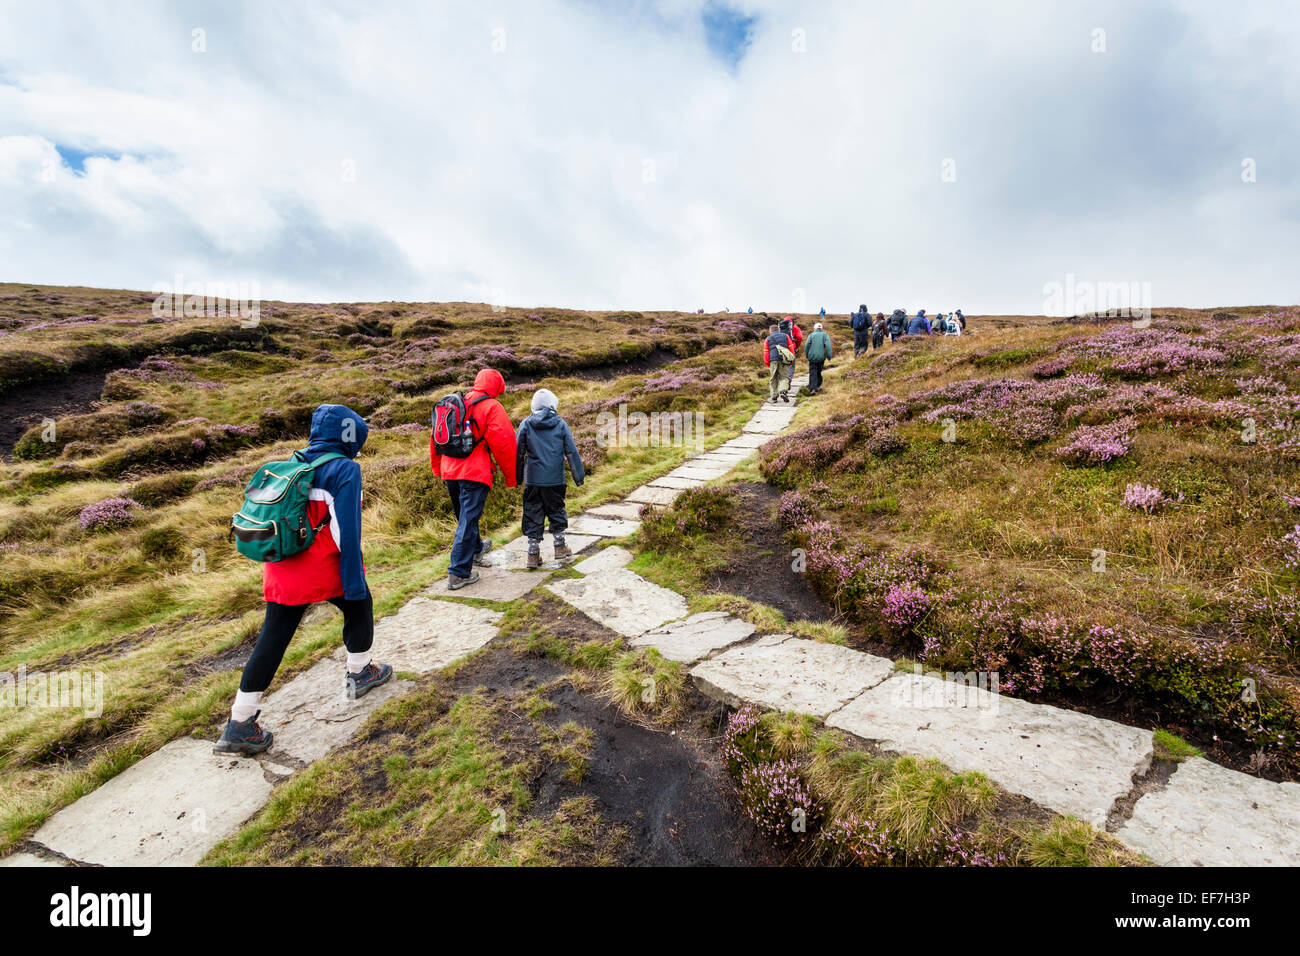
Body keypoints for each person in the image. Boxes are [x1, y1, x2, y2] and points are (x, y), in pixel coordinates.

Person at [215, 404, 392, 755]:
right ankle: (360, 673)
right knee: (359, 605)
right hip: (323, 565)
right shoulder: (345, 470)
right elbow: (346, 533)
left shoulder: (294, 463)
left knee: (273, 638)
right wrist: (354, 579)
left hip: (282, 567)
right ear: (349, 435)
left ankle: (239, 721)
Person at [431, 368, 518, 589]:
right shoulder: (492, 407)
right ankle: (458, 573)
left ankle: (477, 549)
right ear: (497, 386)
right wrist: (511, 476)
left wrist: (437, 468)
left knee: (465, 516)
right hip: (474, 472)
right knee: (468, 520)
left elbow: (435, 437)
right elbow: (504, 444)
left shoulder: (453, 402)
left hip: (450, 469)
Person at [515, 388, 585, 568]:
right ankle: (560, 547)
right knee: (556, 509)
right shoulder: (561, 424)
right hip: (555, 479)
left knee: (532, 512)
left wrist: (516, 477)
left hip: (532, 479)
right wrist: (579, 477)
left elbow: (518, 452)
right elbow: (571, 451)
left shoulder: (526, 424)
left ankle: (532, 554)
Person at [763, 324, 795, 403]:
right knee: (784, 377)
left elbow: (766, 354)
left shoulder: (768, 339)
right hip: (783, 360)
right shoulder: (786, 336)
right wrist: (791, 361)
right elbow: (791, 349)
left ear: (770, 331)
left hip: (773, 360)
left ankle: (774, 397)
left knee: (773, 378)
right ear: (778, 330)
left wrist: (768, 364)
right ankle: (783, 392)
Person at [804, 322, 832, 394]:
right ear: (821, 328)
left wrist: (807, 355)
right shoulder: (825, 335)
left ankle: (812, 388)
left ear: (814, 328)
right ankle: (818, 386)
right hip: (821, 357)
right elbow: (828, 346)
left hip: (812, 357)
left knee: (813, 372)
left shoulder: (811, 335)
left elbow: (807, 345)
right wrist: (829, 357)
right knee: (818, 371)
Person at [780, 316, 804, 391]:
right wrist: (797, 346)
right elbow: (799, 337)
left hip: (782, 348)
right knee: (792, 365)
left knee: (783, 365)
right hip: (791, 347)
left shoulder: (780, 327)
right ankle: (789, 380)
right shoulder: (795, 327)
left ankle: (782, 383)